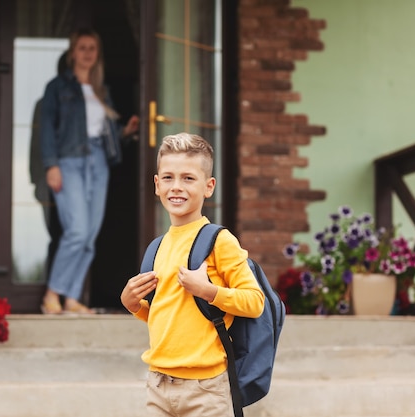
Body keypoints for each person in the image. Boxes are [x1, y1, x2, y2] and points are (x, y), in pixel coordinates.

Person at [120, 132, 265, 417]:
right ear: (157, 184)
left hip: (206, 388)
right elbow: (170, 316)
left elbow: (255, 301)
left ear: (208, 186)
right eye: (169, 177)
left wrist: (208, 291)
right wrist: (133, 305)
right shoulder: (157, 247)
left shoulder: (218, 241)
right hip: (159, 384)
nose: (177, 187)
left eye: (188, 178)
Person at [40, 29, 139, 315]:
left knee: (90, 234)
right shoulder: (57, 88)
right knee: (77, 230)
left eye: (92, 48)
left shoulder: (101, 90)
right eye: (82, 47)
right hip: (69, 161)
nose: (87, 53)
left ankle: (70, 298)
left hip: (99, 163)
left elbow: (103, 135)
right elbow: (47, 129)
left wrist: (125, 132)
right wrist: (51, 165)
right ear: (73, 52)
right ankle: (52, 294)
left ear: (97, 54)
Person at [29, 52, 68, 281]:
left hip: (76, 180)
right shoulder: (44, 104)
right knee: (57, 233)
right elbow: (36, 144)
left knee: (74, 236)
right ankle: (52, 288)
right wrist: (37, 179)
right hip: (51, 181)